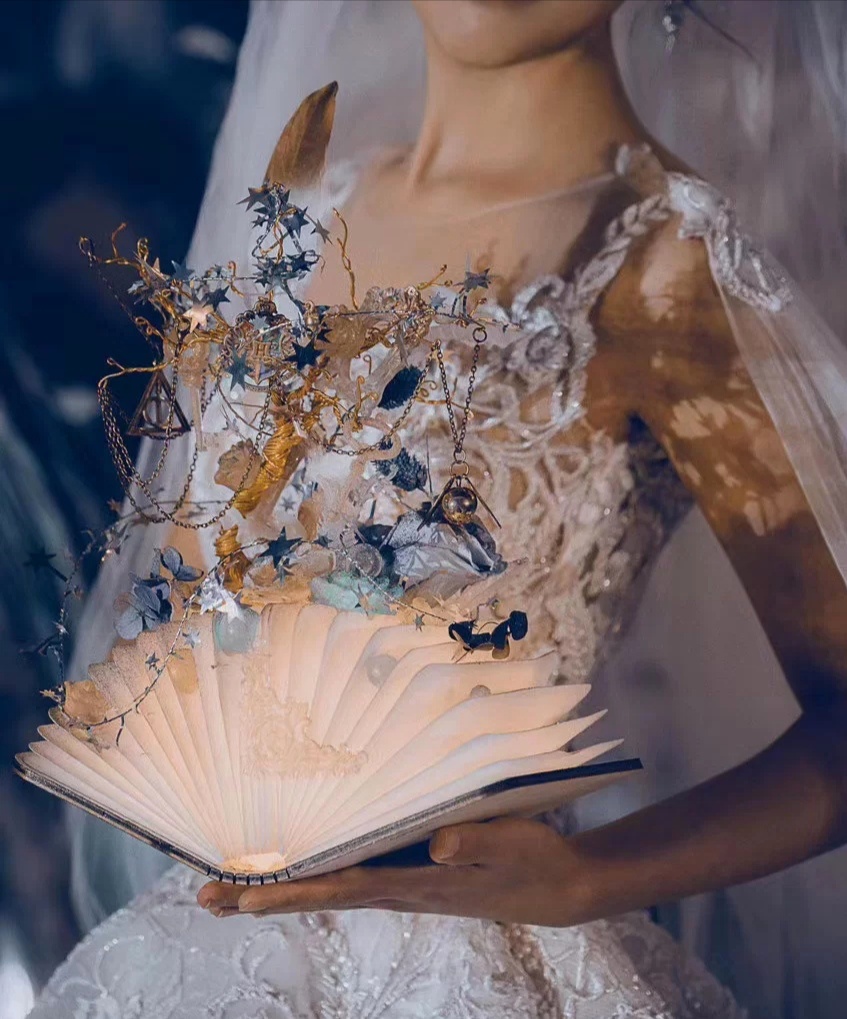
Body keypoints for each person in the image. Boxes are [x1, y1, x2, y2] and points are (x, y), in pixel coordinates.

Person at [30, 2, 847, 1016]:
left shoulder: (663, 264)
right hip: (196, 956)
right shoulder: (301, 205)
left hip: (464, 966)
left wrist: (587, 879)